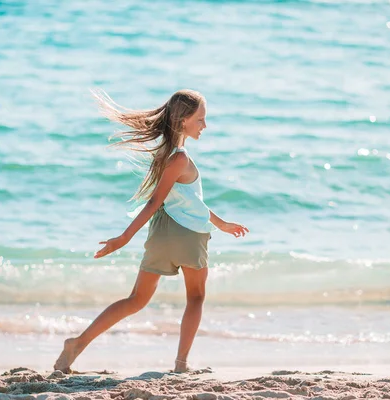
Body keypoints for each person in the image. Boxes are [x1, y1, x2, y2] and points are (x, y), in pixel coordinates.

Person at [53, 89, 249, 373]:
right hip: (188, 235)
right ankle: (181, 365)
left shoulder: (165, 154)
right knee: (195, 298)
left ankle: (77, 344)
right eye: (201, 119)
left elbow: (181, 201)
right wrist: (123, 238)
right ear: (183, 121)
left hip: (161, 233)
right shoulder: (179, 158)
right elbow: (156, 200)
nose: (205, 125)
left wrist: (221, 224)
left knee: (136, 300)